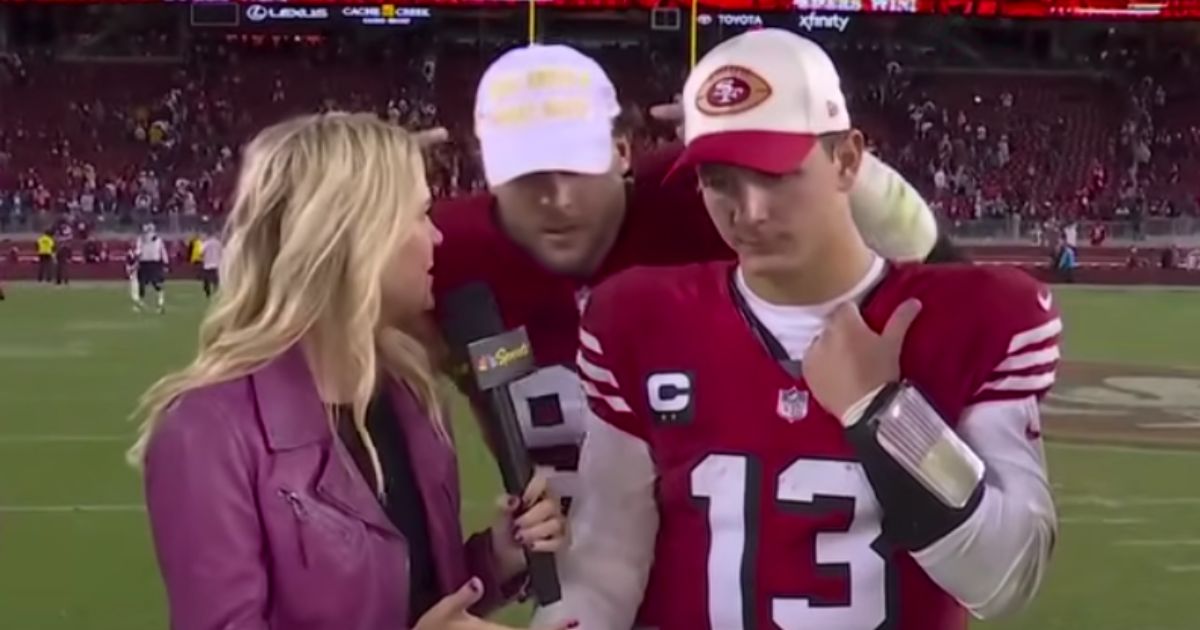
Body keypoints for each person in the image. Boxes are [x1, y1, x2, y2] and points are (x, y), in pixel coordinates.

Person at [541, 30, 1059, 629]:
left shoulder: (976, 317)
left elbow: (1005, 578)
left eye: (777, 173)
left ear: (846, 160)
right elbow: (605, 571)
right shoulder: (638, 319)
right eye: (720, 180)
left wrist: (885, 413)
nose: (750, 211)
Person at [430, 43, 951, 500]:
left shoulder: (703, 195)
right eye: (528, 176)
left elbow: (917, 246)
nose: (558, 199)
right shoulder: (445, 249)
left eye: (574, 168)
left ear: (621, 151)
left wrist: (766, 133)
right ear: (487, 171)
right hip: (573, 569)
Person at [127, 113, 574, 630]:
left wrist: (496, 558)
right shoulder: (208, 432)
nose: (436, 236)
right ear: (357, 238)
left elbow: (417, 599)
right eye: (419, 214)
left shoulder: (411, 396)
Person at [134, 222, 169, 313]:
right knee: (143, 284)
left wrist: (165, 263)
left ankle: (160, 303)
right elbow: (138, 251)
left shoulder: (157, 240)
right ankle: (143, 303)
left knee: (155, 284)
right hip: (146, 263)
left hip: (152, 263)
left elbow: (162, 251)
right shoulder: (141, 239)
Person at [199, 227, 222, 298]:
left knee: (206, 279)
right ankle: (216, 291)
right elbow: (221, 252)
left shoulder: (206, 243)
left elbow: (201, 252)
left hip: (208, 264)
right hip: (216, 263)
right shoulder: (218, 243)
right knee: (216, 279)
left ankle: (207, 293)